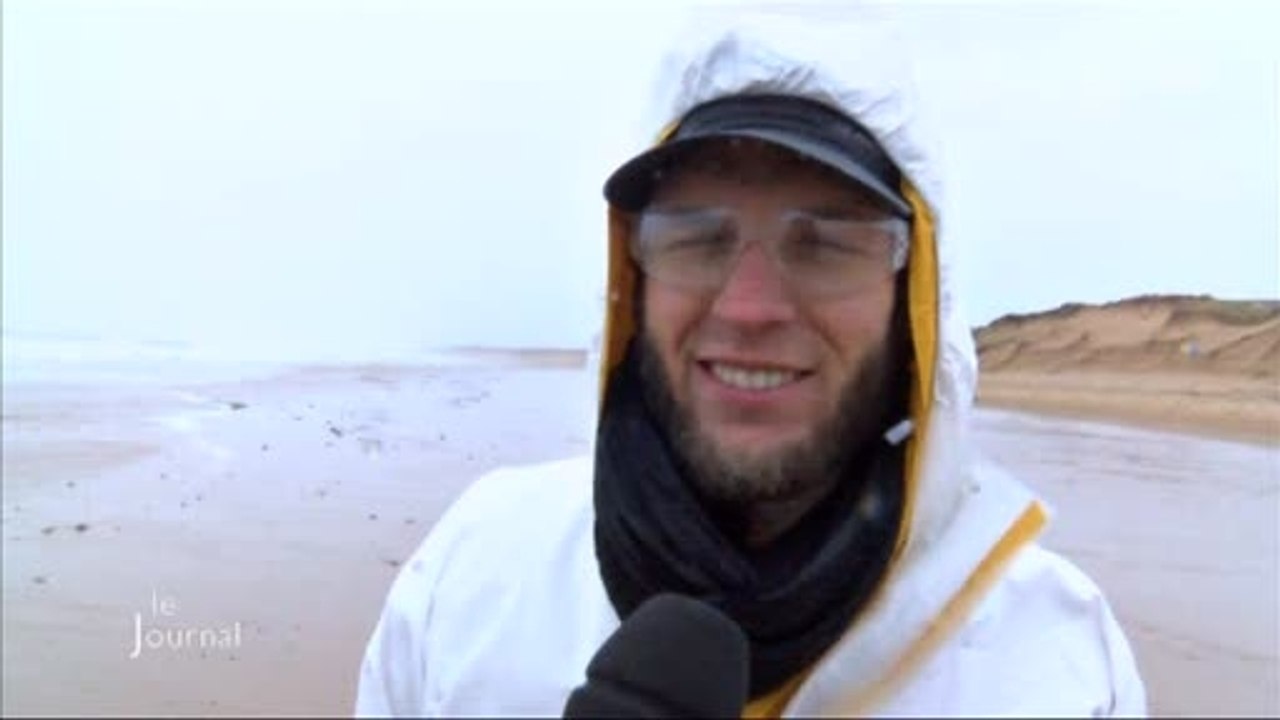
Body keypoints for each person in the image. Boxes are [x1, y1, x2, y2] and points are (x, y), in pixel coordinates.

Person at [355, 9, 1147, 717]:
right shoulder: (470, 583)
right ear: (632, 278)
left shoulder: (1051, 665)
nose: (748, 308)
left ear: (914, 299)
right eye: (697, 238)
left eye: (827, 244)